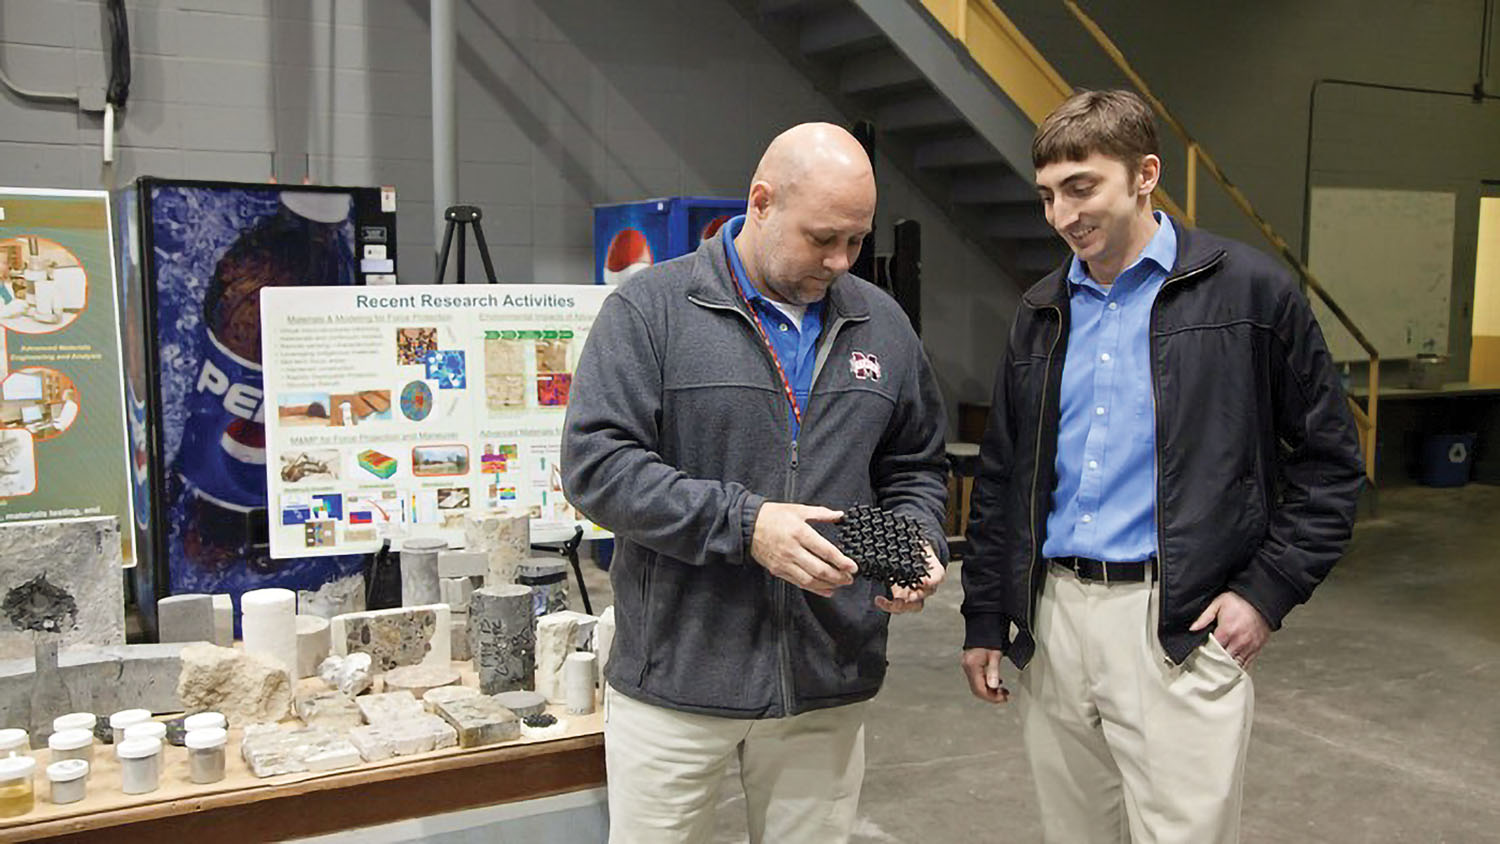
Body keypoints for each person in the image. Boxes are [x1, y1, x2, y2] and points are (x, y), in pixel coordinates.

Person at [959, 89, 1364, 843]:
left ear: (1146, 174)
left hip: (1176, 627)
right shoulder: (1043, 311)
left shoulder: (1252, 295)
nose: (1062, 215)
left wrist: (1265, 592)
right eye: (1047, 195)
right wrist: (988, 611)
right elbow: (1006, 477)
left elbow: (1331, 466)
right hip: (1054, 624)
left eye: (1083, 188)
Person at [562, 122, 949, 844]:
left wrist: (918, 541)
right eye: (823, 237)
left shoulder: (882, 325)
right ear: (762, 203)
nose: (840, 260)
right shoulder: (652, 312)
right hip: (679, 682)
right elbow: (597, 464)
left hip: (825, 679)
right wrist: (747, 525)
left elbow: (914, 465)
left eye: (856, 241)